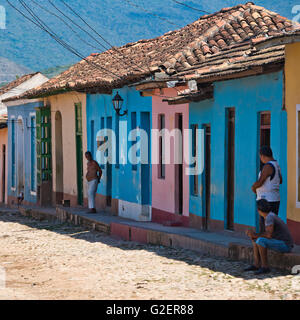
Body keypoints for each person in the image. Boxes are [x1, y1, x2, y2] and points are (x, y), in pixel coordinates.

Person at [245, 199, 294, 275]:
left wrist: (255, 235)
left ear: (258, 210)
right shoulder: (269, 216)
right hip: (280, 242)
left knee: (260, 240)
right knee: (256, 240)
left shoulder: (269, 217)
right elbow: (268, 234)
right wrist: (254, 235)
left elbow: (268, 235)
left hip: (285, 245)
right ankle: (256, 264)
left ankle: (265, 267)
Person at [252, 146, 282, 232]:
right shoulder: (276, 165)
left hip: (266, 200)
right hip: (275, 198)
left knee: (266, 227)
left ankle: (265, 244)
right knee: (272, 225)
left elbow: (260, 182)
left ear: (262, 156)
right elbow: (280, 180)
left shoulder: (268, 166)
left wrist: (253, 187)